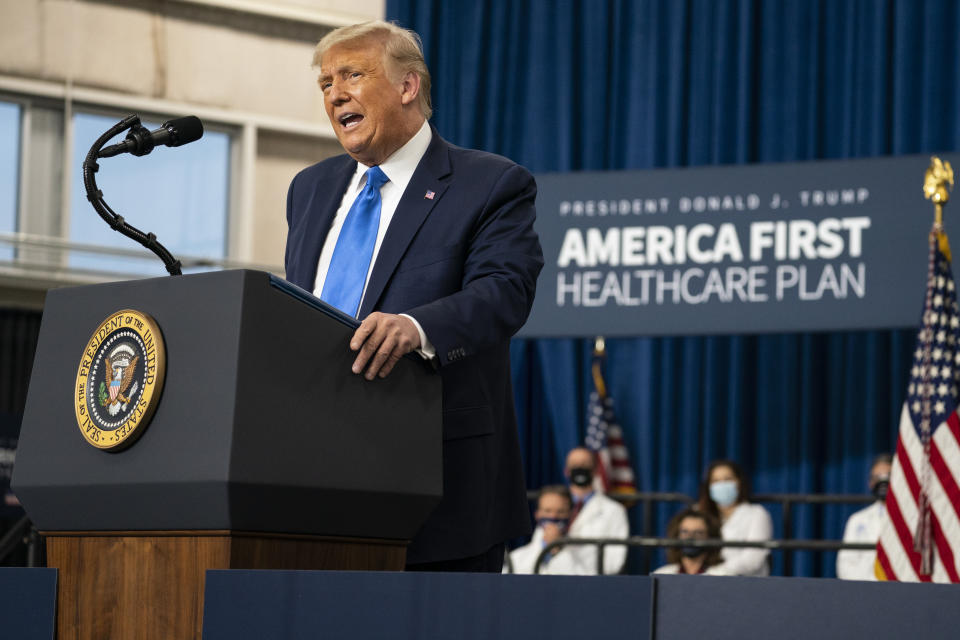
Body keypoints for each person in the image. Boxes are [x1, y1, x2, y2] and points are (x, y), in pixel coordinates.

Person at [284, 20, 543, 572]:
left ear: (408, 86)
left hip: (439, 492)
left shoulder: (490, 183)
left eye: (353, 74)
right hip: (311, 483)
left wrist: (417, 326)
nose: (335, 94)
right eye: (326, 83)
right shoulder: (309, 189)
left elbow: (505, 291)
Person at [555, 447, 630, 574]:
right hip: (551, 579)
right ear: (566, 471)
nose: (580, 468)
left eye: (585, 464)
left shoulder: (614, 511)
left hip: (591, 584)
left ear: (595, 470)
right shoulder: (552, 507)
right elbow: (538, 551)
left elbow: (614, 563)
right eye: (575, 465)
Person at [697, 459, 772, 576]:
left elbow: (753, 559)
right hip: (704, 581)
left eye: (728, 479)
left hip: (746, 583)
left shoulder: (756, 513)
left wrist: (716, 573)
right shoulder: (699, 514)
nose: (721, 485)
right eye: (716, 481)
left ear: (739, 482)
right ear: (708, 487)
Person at [836, 454, 892, 581]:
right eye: (877, 477)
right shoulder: (857, 520)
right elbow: (844, 565)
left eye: (887, 476)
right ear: (870, 483)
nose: (882, 482)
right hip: (863, 591)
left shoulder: (912, 520)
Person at [504, 485, 573, 574]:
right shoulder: (516, 558)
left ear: (570, 515)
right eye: (547, 511)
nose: (553, 516)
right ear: (537, 514)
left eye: (560, 511)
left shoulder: (581, 553)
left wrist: (555, 548)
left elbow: (581, 583)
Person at [653, 507, 729, 576]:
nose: (690, 537)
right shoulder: (662, 574)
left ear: (710, 537)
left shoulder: (722, 575)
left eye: (698, 533)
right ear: (676, 535)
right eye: (685, 532)